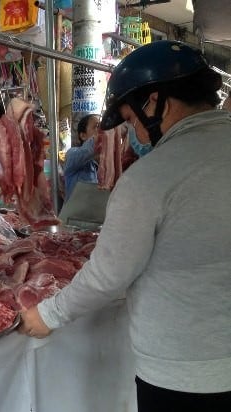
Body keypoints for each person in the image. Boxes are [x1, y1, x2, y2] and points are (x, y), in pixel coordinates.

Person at [19, 40, 231, 411]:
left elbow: (109, 274)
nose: (134, 132)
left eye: (131, 121)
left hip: (185, 375)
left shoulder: (151, 177)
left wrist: (48, 315)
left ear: (153, 101)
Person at [62, 113, 100, 200]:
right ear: (83, 136)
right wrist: (100, 137)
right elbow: (86, 151)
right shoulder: (72, 153)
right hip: (74, 213)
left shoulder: (96, 164)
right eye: (96, 127)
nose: (100, 130)